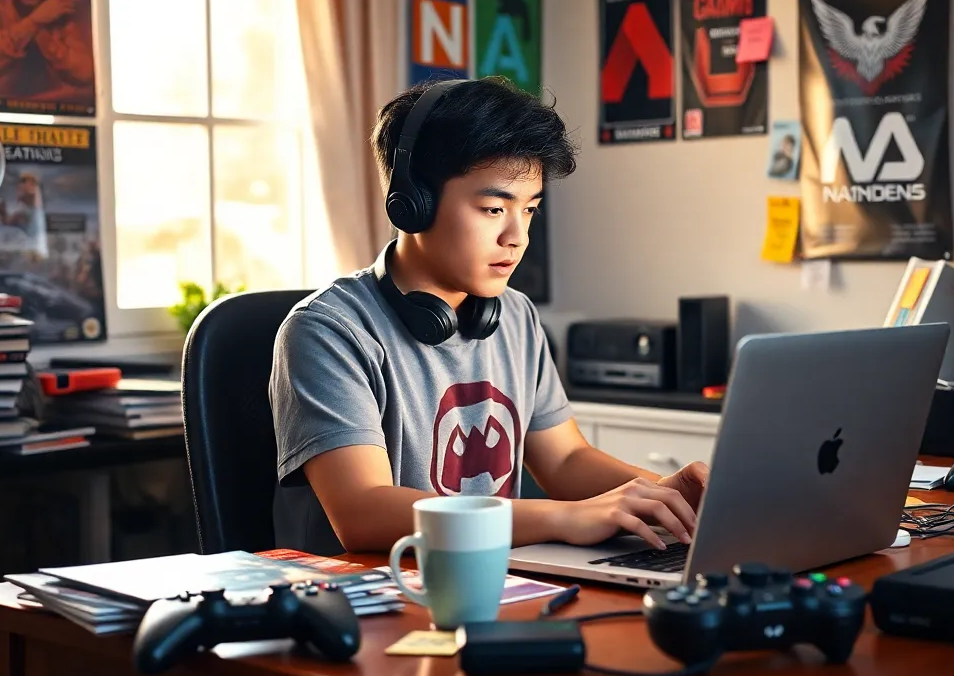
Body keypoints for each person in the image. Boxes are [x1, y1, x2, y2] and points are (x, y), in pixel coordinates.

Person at [270, 77, 710, 557]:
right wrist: (565, 517)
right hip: (377, 601)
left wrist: (666, 494)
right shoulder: (329, 331)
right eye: (493, 208)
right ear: (413, 203)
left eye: (531, 210)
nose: (517, 237)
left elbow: (565, 460)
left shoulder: (515, 315)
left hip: (501, 585)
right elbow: (364, 514)